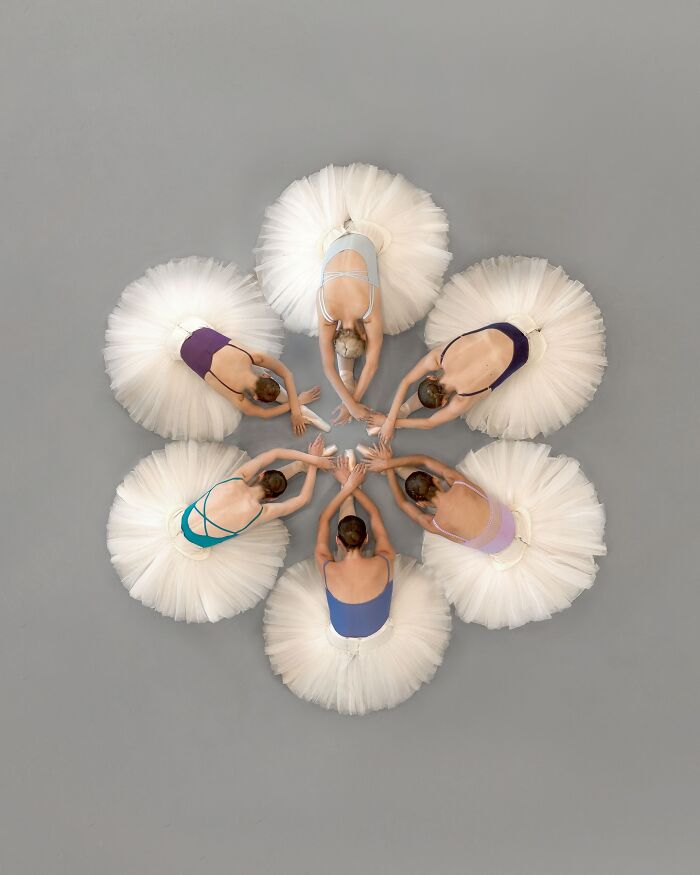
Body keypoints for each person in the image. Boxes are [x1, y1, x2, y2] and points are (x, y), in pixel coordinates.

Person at [254, 163, 452, 425]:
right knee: (345, 357)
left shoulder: (368, 311)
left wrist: (353, 404)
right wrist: (351, 403)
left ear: (360, 333)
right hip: (332, 240)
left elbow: (368, 365)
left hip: (367, 234)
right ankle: (348, 376)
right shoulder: (331, 313)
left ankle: (348, 375)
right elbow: (345, 367)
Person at [263, 457, 452, 715]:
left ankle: (348, 493)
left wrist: (347, 486)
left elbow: (324, 519)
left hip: (337, 640)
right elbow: (374, 514)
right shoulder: (385, 560)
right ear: (366, 539)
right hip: (380, 637)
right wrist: (355, 485)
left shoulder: (327, 567)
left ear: (337, 542)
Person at [364, 439, 606, 630]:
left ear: (421, 505)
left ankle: (407, 480)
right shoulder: (459, 483)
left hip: (503, 554)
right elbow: (425, 461)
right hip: (517, 522)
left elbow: (401, 503)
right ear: (438, 482)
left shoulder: (434, 523)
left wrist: (386, 473)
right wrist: (390, 463)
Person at [365, 255, 606, 441]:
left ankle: (406, 410)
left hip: (528, 353)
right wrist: (390, 419)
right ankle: (405, 409)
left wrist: (392, 423)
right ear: (430, 377)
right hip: (511, 324)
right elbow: (406, 380)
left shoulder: (464, 398)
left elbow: (430, 423)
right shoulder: (441, 357)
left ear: (443, 402)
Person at [108, 436, 335, 623]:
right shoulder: (260, 513)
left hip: (179, 521)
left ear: (262, 475)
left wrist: (311, 457)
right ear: (274, 498)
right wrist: (314, 467)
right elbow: (303, 499)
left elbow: (275, 453)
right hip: (192, 547)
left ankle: (299, 465)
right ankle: (300, 469)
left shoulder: (237, 478)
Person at [104, 255, 329, 441]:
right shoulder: (235, 394)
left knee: (229, 345)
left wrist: (298, 404)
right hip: (175, 347)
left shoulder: (252, 356)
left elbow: (279, 384)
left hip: (194, 323)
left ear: (264, 376)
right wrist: (296, 405)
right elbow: (264, 407)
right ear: (257, 393)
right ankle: (313, 417)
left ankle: (310, 415)